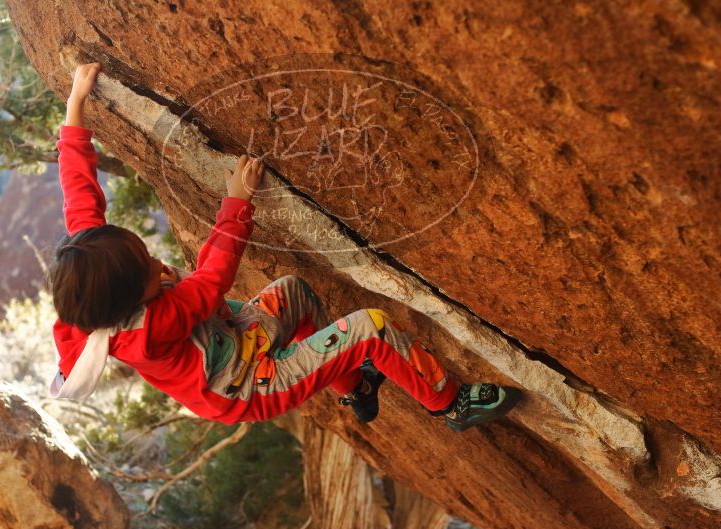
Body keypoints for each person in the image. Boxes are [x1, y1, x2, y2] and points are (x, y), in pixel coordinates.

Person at [48, 63, 521, 432]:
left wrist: (75, 106)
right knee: (370, 328)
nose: (156, 262)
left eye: (143, 252)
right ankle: (449, 402)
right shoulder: (151, 328)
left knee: (293, 290)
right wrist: (236, 201)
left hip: (236, 338)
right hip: (250, 385)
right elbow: (213, 277)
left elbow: (80, 201)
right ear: (131, 303)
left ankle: (355, 387)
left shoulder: (99, 279)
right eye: (149, 270)